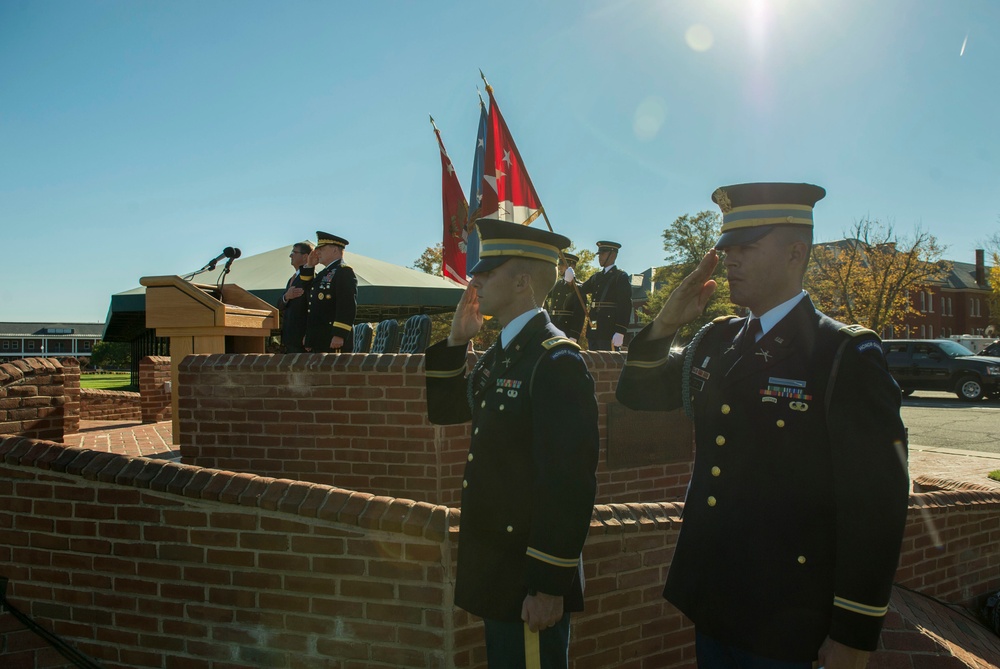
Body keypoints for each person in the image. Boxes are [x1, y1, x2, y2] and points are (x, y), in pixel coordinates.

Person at [616, 182, 910, 669]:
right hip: (715, 603)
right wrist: (666, 323)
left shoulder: (843, 355)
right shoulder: (717, 339)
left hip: (789, 618)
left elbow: (876, 505)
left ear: (796, 252)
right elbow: (637, 393)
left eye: (746, 247)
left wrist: (854, 633)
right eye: (727, 247)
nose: (730, 259)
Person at [425, 219, 600, 669]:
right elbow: (448, 412)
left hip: (528, 579)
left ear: (522, 281)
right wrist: (455, 342)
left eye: (488, 271)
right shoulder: (505, 352)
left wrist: (548, 584)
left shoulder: (554, 358)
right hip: (500, 568)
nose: (475, 278)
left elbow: (568, 481)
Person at [301, 231, 357, 353]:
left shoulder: (344, 272)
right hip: (321, 338)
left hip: (333, 340)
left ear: (335, 250)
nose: (317, 252)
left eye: (321, 248)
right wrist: (309, 266)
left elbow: (346, 305)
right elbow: (307, 294)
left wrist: (339, 334)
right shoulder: (324, 273)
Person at [580, 241, 632, 350]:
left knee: (609, 364)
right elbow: (581, 289)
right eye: (599, 254)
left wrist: (620, 331)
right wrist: (571, 281)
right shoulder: (596, 277)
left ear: (612, 255)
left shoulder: (620, 276)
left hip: (609, 331)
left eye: (603, 254)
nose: (600, 257)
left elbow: (625, 305)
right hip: (594, 328)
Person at [277, 240, 314, 353]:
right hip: (290, 338)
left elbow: (313, 308)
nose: (290, 255)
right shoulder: (292, 279)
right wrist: (286, 297)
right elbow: (279, 305)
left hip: (301, 339)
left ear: (305, 257)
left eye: (294, 252)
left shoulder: (310, 279)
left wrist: (309, 334)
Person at [546, 252, 587, 341]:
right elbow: (544, 296)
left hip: (566, 330)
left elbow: (579, 314)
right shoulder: (558, 284)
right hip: (553, 326)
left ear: (572, 266)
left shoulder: (578, 287)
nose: (559, 267)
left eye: (562, 264)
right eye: (559, 264)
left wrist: (574, 335)